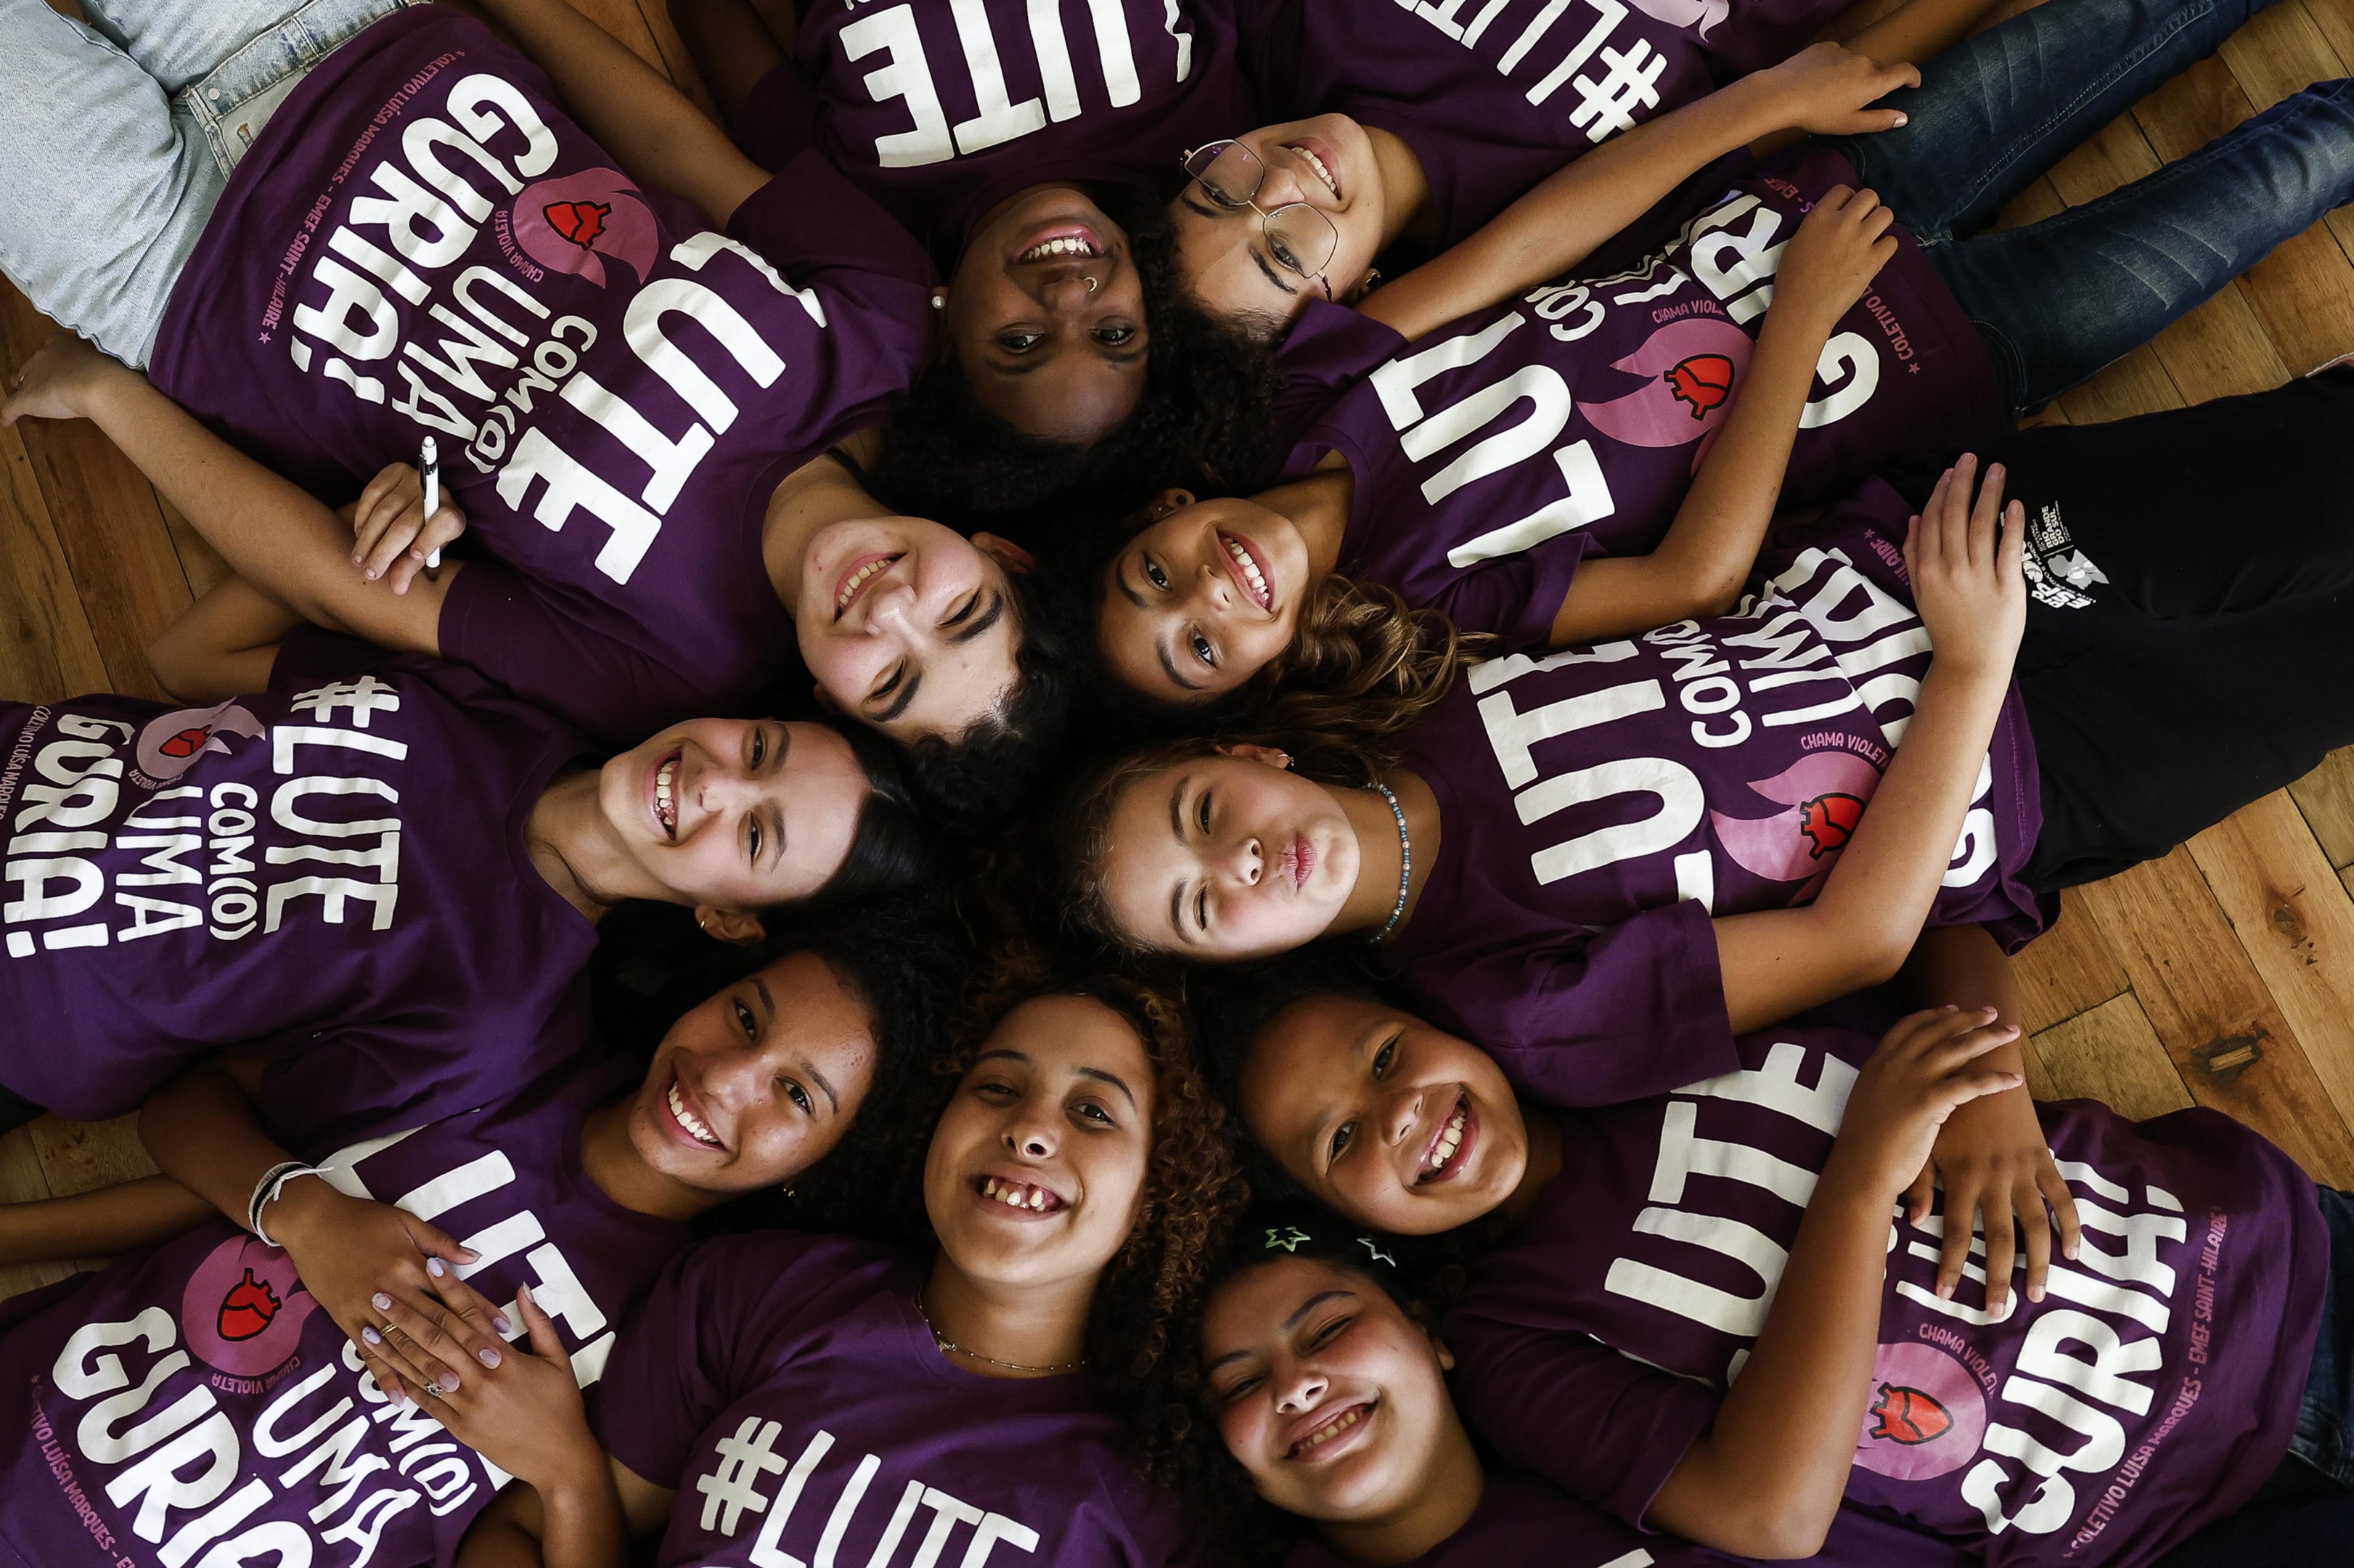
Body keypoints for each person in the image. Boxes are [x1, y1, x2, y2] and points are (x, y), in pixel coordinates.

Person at [1060, 367, 2354, 1101]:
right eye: (1197, 909)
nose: (1233, 866)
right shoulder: (1505, 1008)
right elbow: (1850, 939)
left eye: (1200, 820)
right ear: (1229, 959)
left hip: (1923, 561)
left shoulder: (1397, 673)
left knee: (2315, 482)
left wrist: (1951, 615)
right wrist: (1967, 671)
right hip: (2037, 775)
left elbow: (1682, 580)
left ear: (1247, 756)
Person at [0, 0, 1073, 814]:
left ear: (840, 718)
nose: (887, 610)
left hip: (167, 262)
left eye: (889, 681)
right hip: (347, 34)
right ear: (1001, 555)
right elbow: (669, 147)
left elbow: (342, 584)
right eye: (960, 611)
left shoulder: (666, 669)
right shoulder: (881, 328)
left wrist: (109, 397)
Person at [1200, 956, 2353, 1566]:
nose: (1397, 1114)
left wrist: (1986, 1081)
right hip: (2156, 1524)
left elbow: (1927, 923)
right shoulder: (1509, 1347)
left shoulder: (1625, 1021)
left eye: (1385, 1055)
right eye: (1340, 1140)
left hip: (2259, 1262)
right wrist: (1857, 1185)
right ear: (1342, 1218)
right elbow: (1763, 1514)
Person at [0, 907, 958, 1568]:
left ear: (817, 1167)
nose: (726, 1075)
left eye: (795, 1095)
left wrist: (567, 1474)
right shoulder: (503, 1061)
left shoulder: (686, 1324)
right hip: (34, 1424)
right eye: (745, 1016)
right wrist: (306, 1212)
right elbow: (188, 1112)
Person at [1169, 0, 2350, 527]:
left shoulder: (1320, 378)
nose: (1272, 186)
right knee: (2288, 173)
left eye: (1217, 187)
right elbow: (1694, 572)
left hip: (1808, 186)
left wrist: (1782, 103)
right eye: (1279, 250)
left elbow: (1557, 227)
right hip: (1904, 350)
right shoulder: (1412, 583)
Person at [397, 966, 1236, 1566]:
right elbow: (515, 1539)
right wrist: (571, 1481)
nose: (1030, 1130)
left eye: (1093, 1112)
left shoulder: (1157, 1504)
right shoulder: (757, 1294)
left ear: (1160, 1187)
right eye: (996, 1087)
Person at [0, 625, 922, 1142]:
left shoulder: (496, 1025)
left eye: (757, 836)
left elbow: (202, 1102)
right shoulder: (504, 699)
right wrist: (394, 515)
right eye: (759, 748)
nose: (718, 782)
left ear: (726, 919)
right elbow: (193, 655)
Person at [1086, 178, 1902, 709]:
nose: (1207, 592)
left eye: (1153, 573)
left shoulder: (1291, 398)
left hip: (1767, 211)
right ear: (1260, 675)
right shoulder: (1422, 611)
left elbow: (1518, 249)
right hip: (1876, 364)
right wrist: (1803, 313)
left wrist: (1767, 99)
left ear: (1164, 508)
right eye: (1199, 646)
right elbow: (1692, 582)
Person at [669, 0, 1282, 538]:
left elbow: (705, 15)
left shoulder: (861, 200)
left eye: (1021, 342)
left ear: (945, 335)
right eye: (1113, 334)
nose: (1071, 294)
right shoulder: (1214, 151)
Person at [1187, 1207, 1979, 1566]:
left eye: (1327, 1331)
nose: (1293, 1388)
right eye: (1243, 1385)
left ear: (1428, 1333)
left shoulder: (1605, 1432)